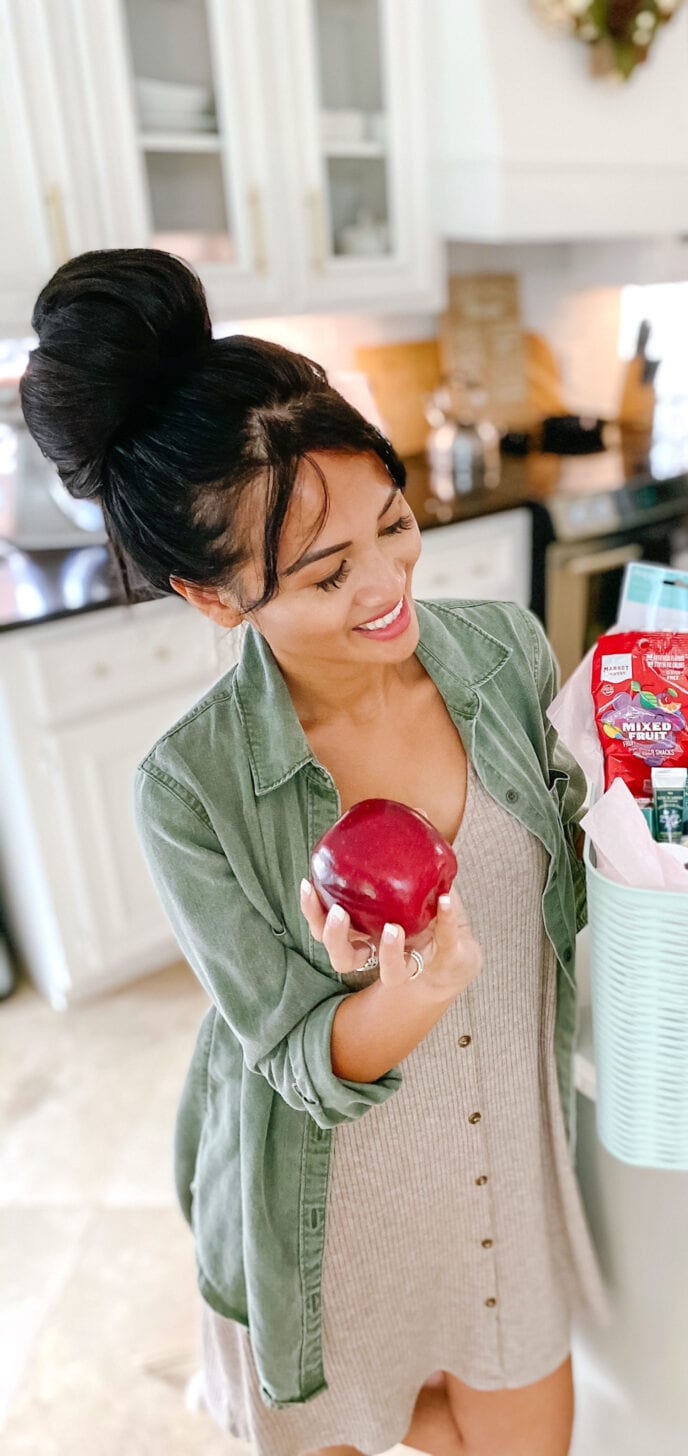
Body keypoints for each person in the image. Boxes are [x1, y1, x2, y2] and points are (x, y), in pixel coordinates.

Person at [20, 249, 610, 1456]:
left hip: (506, 1170)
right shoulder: (189, 789)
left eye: (395, 524)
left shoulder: (502, 651)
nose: (391, 583)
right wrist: (404, 994)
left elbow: (579, 874)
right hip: (329, 1220)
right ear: (214, 597)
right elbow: (295, 1060)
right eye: (332, 571)